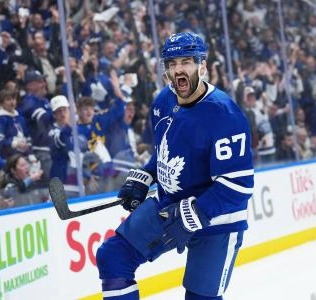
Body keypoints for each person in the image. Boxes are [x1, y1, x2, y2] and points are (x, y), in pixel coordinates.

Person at [96, 32, 254, 300]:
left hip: (218, 220)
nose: (177, 69)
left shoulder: (224, 114)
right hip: (169, 207)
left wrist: (192, 215)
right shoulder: (163, 102)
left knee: (199, 297)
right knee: (113, 255)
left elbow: (236, 187)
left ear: (202, 65)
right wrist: (145, 175)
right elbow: (167, 153)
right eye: (171, 63)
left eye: (186, 62)